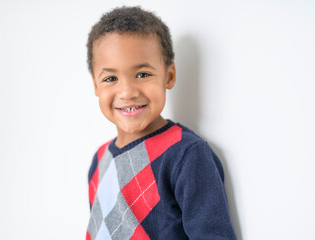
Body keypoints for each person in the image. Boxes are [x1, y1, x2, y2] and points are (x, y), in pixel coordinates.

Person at [85, 6, 237, 240]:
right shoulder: (99, 159)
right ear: (96, 86)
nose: (127, 92)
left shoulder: (186, 155)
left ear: (169, 76)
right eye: (111, 78)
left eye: (143, 74)